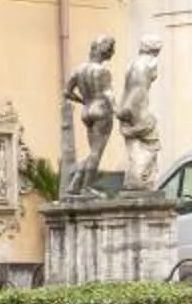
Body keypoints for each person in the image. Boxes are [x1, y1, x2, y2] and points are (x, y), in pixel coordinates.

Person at [65, 34, 117, 192]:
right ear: (105, 51)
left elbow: (67, 92)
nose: (113, 52)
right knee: (96, 152)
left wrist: (83, 101)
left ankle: (76, 182)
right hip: (101, 110)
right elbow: (108, 94)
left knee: (92, 151)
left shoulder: (79, 70)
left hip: (87, 111)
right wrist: (118, 110)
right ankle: (86, 187)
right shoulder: (103, 71)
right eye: (111, 49)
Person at [118, 35, 165, 192]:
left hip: (127, 107)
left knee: (135, 147)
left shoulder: (132, 63)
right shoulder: (150, 62)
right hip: (137, 109)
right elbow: (138, 91)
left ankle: (135, 179)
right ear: (155, 50)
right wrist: (135, 116)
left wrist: (124, 111)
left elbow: (130, 89)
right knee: (152, 141)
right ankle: (140, 179)